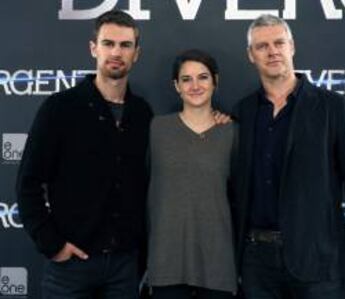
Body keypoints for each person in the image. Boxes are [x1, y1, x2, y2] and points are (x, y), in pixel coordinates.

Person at [231, 14, 345, 299]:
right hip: (256, 264)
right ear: (251, 55)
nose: (272, 51)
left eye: (279, 42)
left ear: (292, 46)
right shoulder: (243, 111)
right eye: (262, 46)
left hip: (316, 261)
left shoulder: (332, 108)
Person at [16, 10, 152, 299]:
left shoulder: (142, 114)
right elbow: (28, 183)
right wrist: (53, 245)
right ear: (94, 48)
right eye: (108, 43)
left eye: (125, 45)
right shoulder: (60, 108)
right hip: (71, 267)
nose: (116, 52)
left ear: (136, 54)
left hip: (125, 267)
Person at [146, 49, 237, 299]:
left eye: (203, 77)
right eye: (186, 79)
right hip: (166, 266)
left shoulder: (233, 132)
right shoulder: (156, 129)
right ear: (176, 85)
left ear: (215, 81)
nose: (195, 85)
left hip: (218, 268)